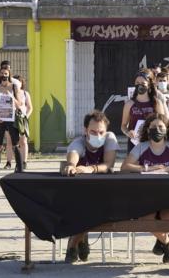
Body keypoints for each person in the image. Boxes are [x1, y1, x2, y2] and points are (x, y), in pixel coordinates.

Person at [121, 113, 169, 264]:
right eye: (153, 127)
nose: (157, 129)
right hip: (146, 196)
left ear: (167, 129)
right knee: (145, 220)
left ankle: (162, 241)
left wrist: (166, 169)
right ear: (147, 130)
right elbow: (125, 167)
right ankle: (167, 241)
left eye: (161, 127)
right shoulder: (141, 147)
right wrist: (148, 168)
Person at [61, 110, 118, 263]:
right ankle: (81, 240)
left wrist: (90, 169)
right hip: (80, 192)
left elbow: (108, 164)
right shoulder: (78, 142)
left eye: (101, 132)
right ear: (85, 130)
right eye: (93, 131)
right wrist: (72, 166)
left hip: (104, 192)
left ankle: (73, 243)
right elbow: (73, 154)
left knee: (90, 208)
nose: (98, 135)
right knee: (80, 207)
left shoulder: (110, 138)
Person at [121, 71, 165, 153]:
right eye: (137, 82)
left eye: (143, 83)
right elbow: (123, 126)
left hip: (152, 142)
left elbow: (163, 124)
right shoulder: (129, 104)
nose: (139, 85)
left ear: (149, 85)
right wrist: (128, 132)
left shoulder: (156, 103)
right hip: (134, 143)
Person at [0, 68, 24, 174]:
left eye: (6, 74)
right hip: (0, 119)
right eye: (1, 73)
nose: (3, 75)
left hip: (11, 118)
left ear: (9, 75)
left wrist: (12, 97)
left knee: (15, 144)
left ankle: (19, 169)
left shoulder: (14, 87)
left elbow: (20, 104)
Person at [13, 75, 33, 170]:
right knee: (14, 143)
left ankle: (24, 162)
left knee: (23, 141)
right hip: (12, 120)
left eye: (19, 81)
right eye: (15, 81)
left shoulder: (25, 93)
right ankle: (18, 162)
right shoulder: (10, 93)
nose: (17, 83)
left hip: (22, 120)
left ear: (22, 83)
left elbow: (30, 107)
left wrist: (26, 117)